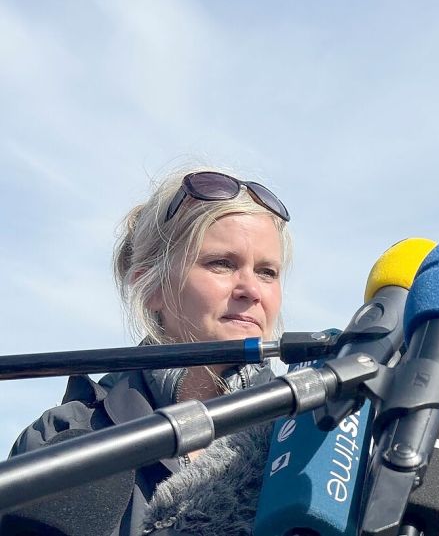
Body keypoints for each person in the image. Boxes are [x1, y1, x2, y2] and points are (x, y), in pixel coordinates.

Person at [5, 168, 292, 535]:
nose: (252, 289)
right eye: (221, 263)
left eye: (267, 272)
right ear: (149, 284)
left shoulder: (313, 432)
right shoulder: (66, 435)